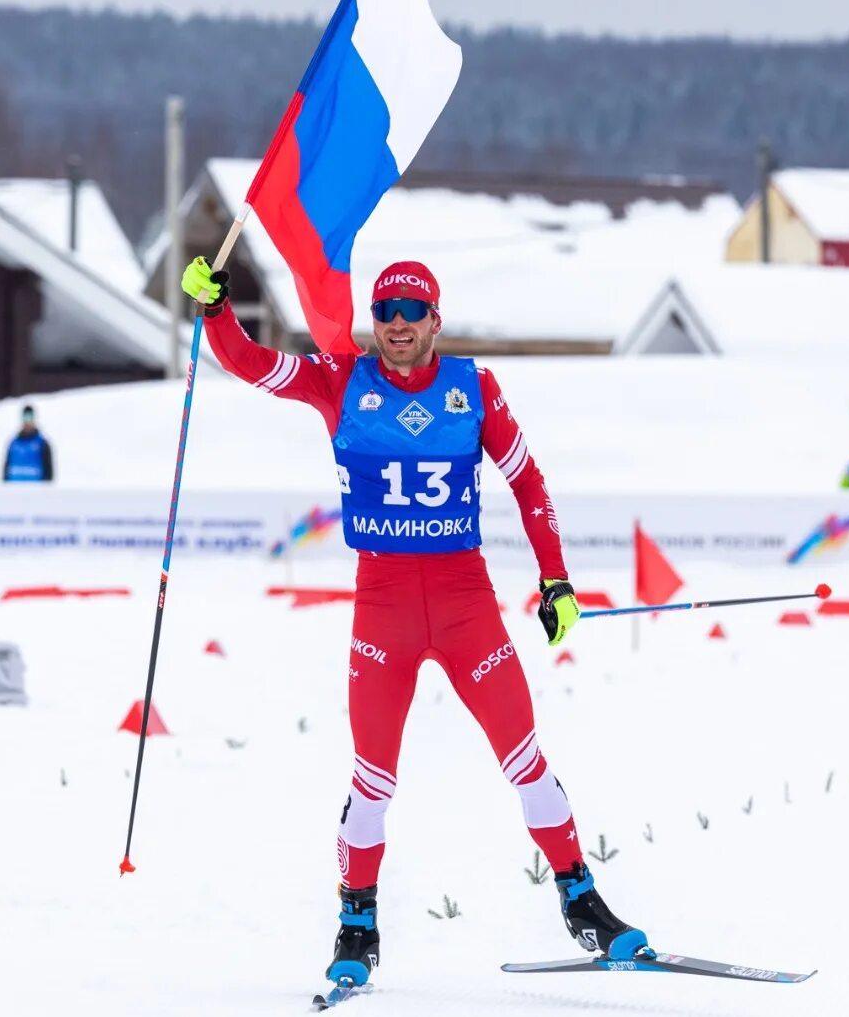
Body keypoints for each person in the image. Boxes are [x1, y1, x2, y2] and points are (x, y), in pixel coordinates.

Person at [182, 257, 647, 988]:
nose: (397, 324)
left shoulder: (475, 387)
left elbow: (527, 481)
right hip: (384, 607)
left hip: (467, 604)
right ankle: (356, 922)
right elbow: (247, 362)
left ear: (436, 319)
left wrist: (554, 577)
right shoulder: (338, 379)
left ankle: (582, 900)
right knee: (373, 779)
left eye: (412, 310)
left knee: (524, 758)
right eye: (386, 311)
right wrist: (216, 310)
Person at [2, 405, 54, 483]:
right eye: (25, 417)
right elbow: (6, 469)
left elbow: (49, 473)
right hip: (14, 490)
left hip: (35, 490)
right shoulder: (13, 443)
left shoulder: (42, 443)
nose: (27, 421)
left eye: (30, 417)